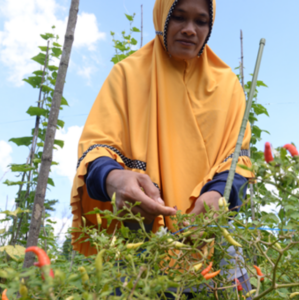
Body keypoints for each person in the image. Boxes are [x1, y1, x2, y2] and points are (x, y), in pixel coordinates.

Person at [70, 0, 254, 297]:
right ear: (162, 17)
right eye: (179, 17)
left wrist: (216, 195)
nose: (190, 30)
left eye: (201, 21)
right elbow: (96, 149)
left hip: (210, 242)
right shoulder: (128, 75)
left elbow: (237, 162)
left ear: (210, 26)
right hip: (141, 238)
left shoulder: (228, 86)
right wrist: (116, 180)